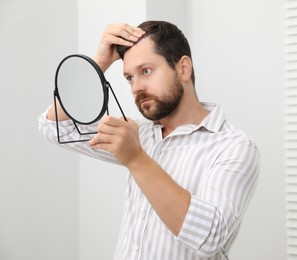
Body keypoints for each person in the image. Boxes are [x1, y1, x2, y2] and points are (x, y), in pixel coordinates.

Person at [39, 21, 260, 260]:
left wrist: (136, 159)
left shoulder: (234, 146)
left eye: (146, 71)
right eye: (129, 78)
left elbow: (210, 237)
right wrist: (98, 64)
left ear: (183, 68)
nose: (136, 88)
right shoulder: (139, 133)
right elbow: (54, 127)